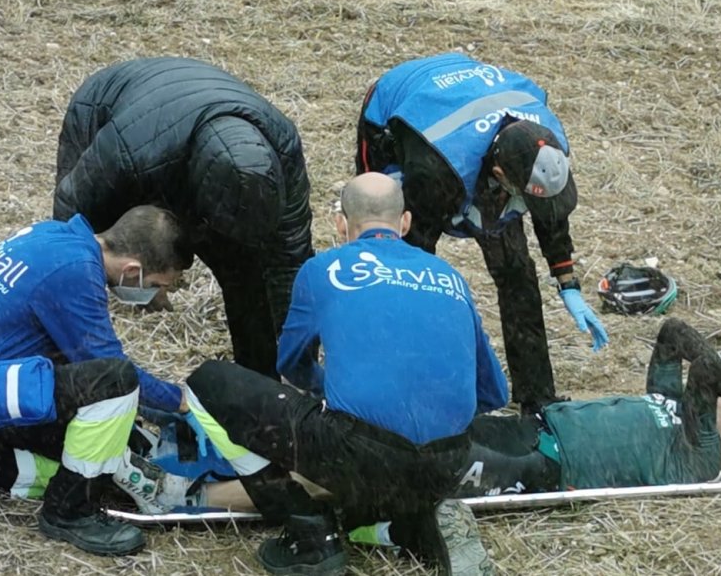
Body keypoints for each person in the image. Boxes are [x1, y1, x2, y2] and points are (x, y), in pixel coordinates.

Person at [178, 173, 508, 576]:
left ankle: (306, 528)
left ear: (340, 224)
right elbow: (494, 392)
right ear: (404, 223)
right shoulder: (450, 277)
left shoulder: (324, 269)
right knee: (382, 454)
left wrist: (328, 393)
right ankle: (409, 516)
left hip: (359, 455)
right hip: (447, 464)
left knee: (208, 381)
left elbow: (291, 364)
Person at [127, 318, 721, 516]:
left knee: (371, 474)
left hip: (536, 465)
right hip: (529, 431)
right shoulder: (679, 411)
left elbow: (703, 363)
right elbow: (674, 335)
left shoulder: (703, 450)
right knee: (373, 442)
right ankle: (214, 456)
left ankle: (198, 494)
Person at [0, 205, 192, 556]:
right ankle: (69, 513)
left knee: (105, 443)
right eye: (156, 286)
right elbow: (109, 367)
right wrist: (178, 400)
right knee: (116, 382)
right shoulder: (74, 272)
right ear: (133, 271)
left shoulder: (59, 238)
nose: (157, 297)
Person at [355, 52, 608, 413]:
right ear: (501, 176)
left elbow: (551, 212)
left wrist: (567, 283)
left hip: (474, 104)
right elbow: (413, 258)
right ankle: (399, 379)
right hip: (397, 111)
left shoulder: (546, 149)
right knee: (405, 269)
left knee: (517, 271)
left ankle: (537, 399)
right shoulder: (438, 172)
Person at [53, 56, 314, 377]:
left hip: (197, 129)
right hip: (110, 108)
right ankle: (68, 372)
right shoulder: (129, 154)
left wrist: (298, 363)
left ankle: (259, 378)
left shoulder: (284, 151)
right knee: (89, 253)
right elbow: (67, 220)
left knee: (245, 271)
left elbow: (291, 261)